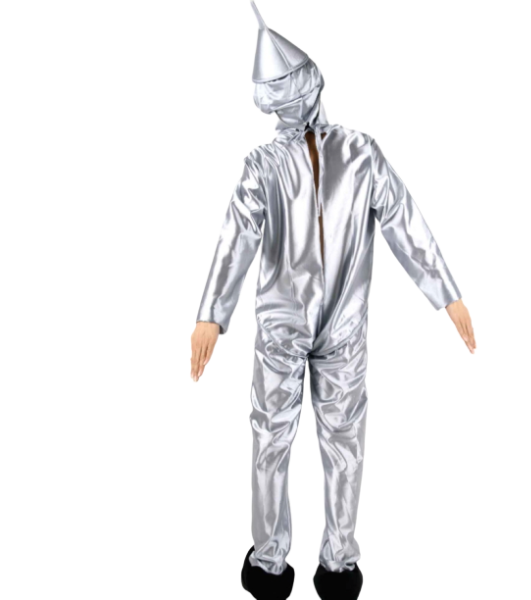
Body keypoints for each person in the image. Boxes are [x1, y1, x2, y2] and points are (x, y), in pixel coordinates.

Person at [190, 3, 477, 599]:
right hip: (288, 325)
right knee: (281, 439)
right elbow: (235, 239)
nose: (291, 101)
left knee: (329, 439)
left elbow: (404, 222)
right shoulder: (267, 165)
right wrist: (211, 315)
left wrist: (447, 294)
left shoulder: (360, 153)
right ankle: (281, 560)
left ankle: (331, 558)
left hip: (336, 324)